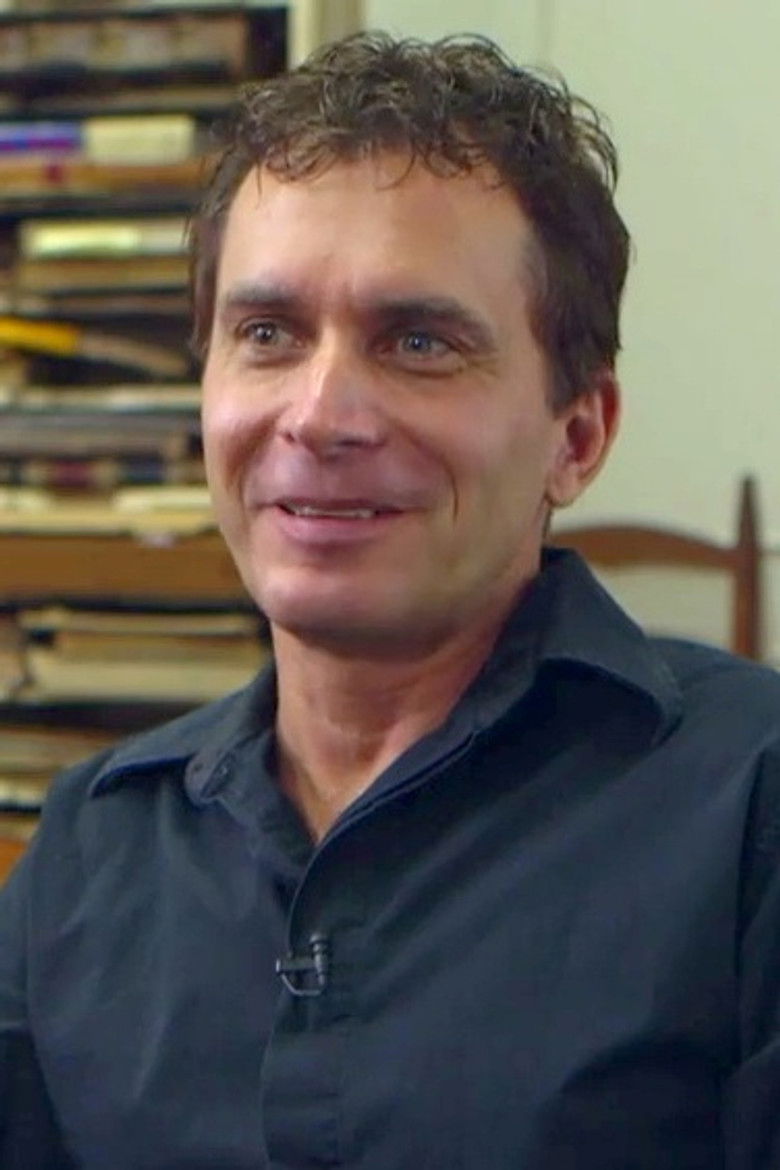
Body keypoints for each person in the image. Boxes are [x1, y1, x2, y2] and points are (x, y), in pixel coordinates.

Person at [2, 31, 779, 1170]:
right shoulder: (91, 847)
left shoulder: (750, 805)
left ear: (578, 436)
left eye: (417, 342)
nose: (319, 416)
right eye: (267, 335)